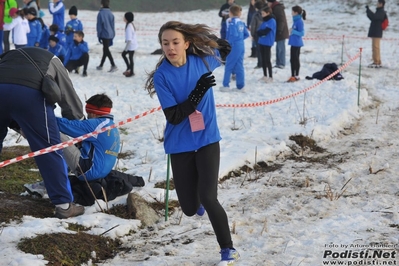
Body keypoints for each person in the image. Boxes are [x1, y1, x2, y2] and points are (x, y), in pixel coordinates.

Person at [144, 21, 239, 265]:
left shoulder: (203, 61)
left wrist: (206, 41)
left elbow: (226, 47)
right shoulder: (162, 76)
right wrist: (198, 92)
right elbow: (174, 116)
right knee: (188, 208)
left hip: (207, 139)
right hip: (180, 144)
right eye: (165, 43)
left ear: (186, 44)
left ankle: (228, 249)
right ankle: (194, 202)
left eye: (176, 42)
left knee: (209, 197)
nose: (170, 47)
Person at [0, 47, 85, 219]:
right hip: (29, 95)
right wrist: (78, 124)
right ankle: (63, 205)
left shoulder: (7, 56)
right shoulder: (53, 60)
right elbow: (68, 97)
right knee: (49, 149)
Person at [57, 93, 120, 182]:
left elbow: (66, 125)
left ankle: (52, 178)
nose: (87, 117)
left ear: (93, 113)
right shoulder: (110, 125)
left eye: (88, 113)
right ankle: (61, 173)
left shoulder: (96, 125)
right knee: (78, 144)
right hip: (101, 172)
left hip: (88, 172)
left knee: (56, 134)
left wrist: (45, 116)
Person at [220, 4, 249, 92]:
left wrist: (229, 43)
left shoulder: (232, 23)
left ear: (231, 13)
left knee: (229, 65)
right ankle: (241, 86)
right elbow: (246, 34)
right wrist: (240, 40)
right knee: (239, 65)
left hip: (234, 46)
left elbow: (234, 35)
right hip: (241, 45)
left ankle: (226, 85)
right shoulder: (241, 22)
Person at [267, 0, 289, 69]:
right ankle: (278, 62)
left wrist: (280, 29)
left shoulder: (277, 8)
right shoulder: (274, 8)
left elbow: (281, 20)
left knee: (281, 48)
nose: (267, 4)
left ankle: (282, 63)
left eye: (268, 2)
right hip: (278, 30)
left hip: (281, 31)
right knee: (278, 48)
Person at [96, 0, 117, 72]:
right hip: (110, 33)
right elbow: (113, 25)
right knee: (105, 49)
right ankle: (101, 65)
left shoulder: (101, 13)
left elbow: (99, 26)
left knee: (106, 50)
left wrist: (99, 35)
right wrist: (113, 34)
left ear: (102, 4)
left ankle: (113, 65)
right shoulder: (111, 13)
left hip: (104, 34)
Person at [257, 6, 276, 83]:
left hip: (268, 42)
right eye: (261, 13)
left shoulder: (272, 21)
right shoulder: (264, 21)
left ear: (268, 13)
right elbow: (259, 31)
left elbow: (266, 31)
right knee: (263, 59)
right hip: (261, 41)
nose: (262, 15)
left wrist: (261, 32)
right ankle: (265, 75)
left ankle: (271, 76)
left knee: (267, 59)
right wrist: (260, 33)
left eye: (263, 13)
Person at [287, 5, 306, 82]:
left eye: (292, 11)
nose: (291, 13)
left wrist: (293, 31)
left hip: (297, 43)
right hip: (293, 42)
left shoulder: (299, 21)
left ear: (296, 12)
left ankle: (296, 75)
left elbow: (302, 33)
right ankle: (292, 75)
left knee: (296, 59)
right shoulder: (295, 21)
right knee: (292, 59)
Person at [366, 0, 386, 68]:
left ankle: (377, 62)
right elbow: (373, 18)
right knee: (374, 47)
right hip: (375, 32)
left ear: (381, 4)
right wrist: (368, 10)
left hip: (377, 32)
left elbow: (374, 17)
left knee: (376, 47)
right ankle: (376, 61)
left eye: (378, 3)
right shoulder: (379, 11)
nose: (377, 4)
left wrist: (369, 11)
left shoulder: (381, 12)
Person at [250, 0, 266, 69]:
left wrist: (252, 34)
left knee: (259, 50)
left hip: (257, 34)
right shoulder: (266, 13)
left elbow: (253, 25)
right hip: (265, 33)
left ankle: (260, 63)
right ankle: (265, 63)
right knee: (265, 49)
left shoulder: (256, 15)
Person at [121, 11, 137, 77]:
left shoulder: (129, 27)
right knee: (129, 57)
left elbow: (129, 40)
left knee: (126, 55)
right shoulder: (130, 24)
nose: (123, 18)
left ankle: (131, 71)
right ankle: (129, 69)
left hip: (131, 45)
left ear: (127, 18)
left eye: (124, 17)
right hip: (133, 44)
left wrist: (125, 49)